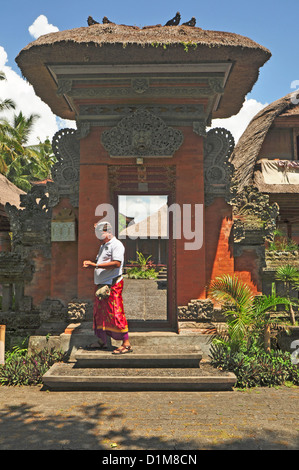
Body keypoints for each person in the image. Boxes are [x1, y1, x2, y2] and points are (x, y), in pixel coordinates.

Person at [82, 221, 133, 354]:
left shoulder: (116, 245)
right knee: (100, 313)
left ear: (109, 232)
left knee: (115, 312)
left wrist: (95, 266)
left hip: (113, 284)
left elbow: (116, 263)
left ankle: (126, 343)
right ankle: (102, 341)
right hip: (103, 284)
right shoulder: (104, 245)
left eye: (100, 233)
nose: (98, 236)